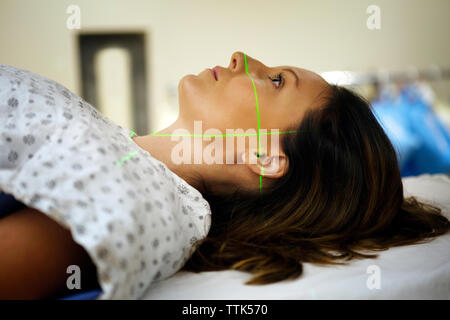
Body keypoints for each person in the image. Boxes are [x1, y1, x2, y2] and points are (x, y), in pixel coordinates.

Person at [1, 51, 448, 299]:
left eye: (274, 81)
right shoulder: (119, 149)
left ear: (265, 156)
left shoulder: (132, 197)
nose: (241, 57)